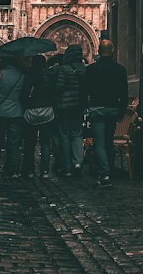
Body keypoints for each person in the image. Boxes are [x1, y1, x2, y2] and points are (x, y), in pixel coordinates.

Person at [81, 38, 129, 186]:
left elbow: (85, 91)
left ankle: (105, 175)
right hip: (113, 109)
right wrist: (121, 113)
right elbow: (124, 94)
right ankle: (109, 170)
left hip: (97, 109)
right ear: (113, 51)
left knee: (99, 143)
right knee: (109, 142)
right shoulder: (120, 70)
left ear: (99, 52)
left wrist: (86, 107)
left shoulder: (91, 69)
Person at [48, 43, 87, 175]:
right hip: (79, 106)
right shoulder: (83, 69)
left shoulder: (63, 69)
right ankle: (78, 162)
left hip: (64, 107)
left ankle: (67, 166)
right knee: (77, 134)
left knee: (64, 134)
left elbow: (59, 87)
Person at [0, 51, 26, 178]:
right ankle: (13, 169)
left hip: (0, 112)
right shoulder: (22, 75)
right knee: (14, 142)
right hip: (16, 112)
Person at [21, 54, 55, 179]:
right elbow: (53, 93)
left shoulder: (29, 76)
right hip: (47, 112)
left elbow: (24, 94)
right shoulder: (49, 76)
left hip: (31, 112)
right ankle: (45, 171)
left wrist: (26, 105)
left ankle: (29, 170)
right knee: (45, 143)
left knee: (30, 143)